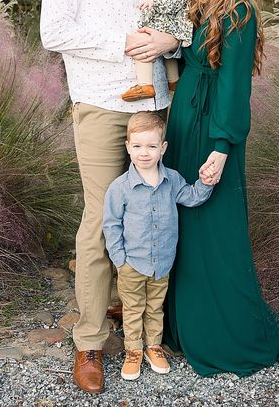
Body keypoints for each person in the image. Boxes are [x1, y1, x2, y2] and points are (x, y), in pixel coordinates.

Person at [40, 0, 180, 395]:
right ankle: (90, 341)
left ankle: (142, 316)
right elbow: (54, 30)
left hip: (154, 106)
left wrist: (167, 41)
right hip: (99, 102)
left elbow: (174, 21)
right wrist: (123, 40)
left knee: (154, 207)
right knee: (101, 217)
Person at [163, 0, 279, 376]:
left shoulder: (240, 11)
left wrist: (221, 146)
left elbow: (235, 86)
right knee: (182, 226)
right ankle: (180, 325)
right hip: (182, 122)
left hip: (214, 129)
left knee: (213, 229)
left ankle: (225, 333)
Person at [102, 111, 213, 381]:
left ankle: (153, 346)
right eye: (137, 146)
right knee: (132, 308)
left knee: (155, 307)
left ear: (162, 148)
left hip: (162, 262)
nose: (144, 153)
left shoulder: (172, 179)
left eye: (151, 146)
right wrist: (120, 259)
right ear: (128, 147)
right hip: (132, 264)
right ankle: (133, 350)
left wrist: (206, 183)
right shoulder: (120, 188)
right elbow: (111, 224)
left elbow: (190, 197)